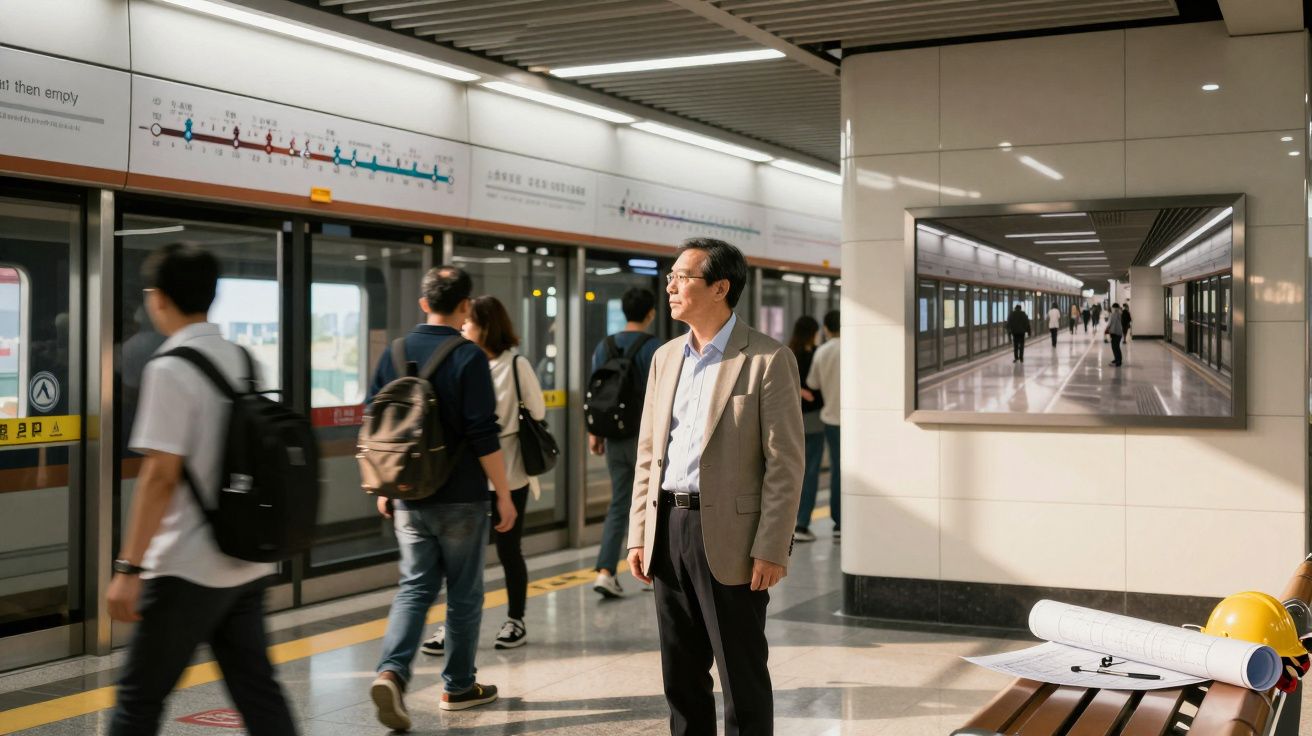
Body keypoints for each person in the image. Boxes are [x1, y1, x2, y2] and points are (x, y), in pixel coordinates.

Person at [107, 243, 296, 735]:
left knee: (137, 701)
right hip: (244, 563)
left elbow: (160, 476)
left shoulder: (170, 369)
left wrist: (129, 568)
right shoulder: (241, 359)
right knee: (259, 693)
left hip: (186, 568)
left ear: (158, 299)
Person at [627, 238, 803, 736]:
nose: (671, 286)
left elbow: (785, 464)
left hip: (733, 536)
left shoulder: (767, 359)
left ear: (721, 288)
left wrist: (772, 546)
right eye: (671, 277)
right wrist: (639, 533)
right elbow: (648, 453)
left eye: (683, 277)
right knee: (680, 678)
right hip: (669, 527)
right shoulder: (665, 358)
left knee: (741, 677)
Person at [368, 266, 517, 732]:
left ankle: (392, 671)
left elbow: (374, 424)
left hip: (407, 496)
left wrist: (383, 486)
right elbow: (482, 433)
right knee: (465, 593)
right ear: (465, 307)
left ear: (422, 302)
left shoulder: (392, 353)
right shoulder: (469, 356)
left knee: (414, 587)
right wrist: (504, 495)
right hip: (462, 498)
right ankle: (458, 685)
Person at [416, 295, 544, 654]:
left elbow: (536, 407)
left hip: (509, 471)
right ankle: (451, 626)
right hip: (465, 474)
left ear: (486, 326)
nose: (462, 327)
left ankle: (515, 618)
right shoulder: (459, 360)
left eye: (468, 322)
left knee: (507, 548)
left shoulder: (515, 364)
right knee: (459, 556)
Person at [589, 287, 660, 598]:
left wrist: (596, 432)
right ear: (650, 314)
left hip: (615, 437)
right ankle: (652, 571)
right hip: (650, 439)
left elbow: (597, 392)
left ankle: (605, 571)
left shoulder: (604, 346)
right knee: (655, 502)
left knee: (621, 502)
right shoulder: (656, 347)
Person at [789, 316, 824, 543]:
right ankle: (802, 523)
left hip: (792, 418)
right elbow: (815, 386)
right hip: (813, 417)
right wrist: (805, 391)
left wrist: (798, 391)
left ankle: (793, 522)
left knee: (793, 471)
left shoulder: (788, 352)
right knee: (810, 470)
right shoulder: (815, 353)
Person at [807, 310, 841, 540]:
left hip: (831, 419)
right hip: (857, 422)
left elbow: (812, 383)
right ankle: (844, 522)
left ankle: (838, 521)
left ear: (827, 329)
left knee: (838, 471)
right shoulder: (858, 347)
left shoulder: (823, 351)